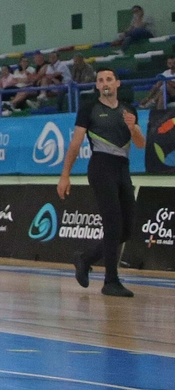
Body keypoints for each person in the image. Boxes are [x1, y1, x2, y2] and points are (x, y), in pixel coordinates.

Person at [59, 67, 146, 298]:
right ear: (97, 85)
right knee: (113, 225)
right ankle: (111, 281)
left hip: (122, 169)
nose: (105, 83)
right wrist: (65, 175)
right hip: (101, 168)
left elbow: (140, 144)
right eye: (100, 80)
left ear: (117, 83)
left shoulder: (129, 110)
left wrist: (133, 127)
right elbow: (76, 143)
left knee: (126, 230)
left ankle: (85, 258)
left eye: (109, 79)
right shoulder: (89, 109)